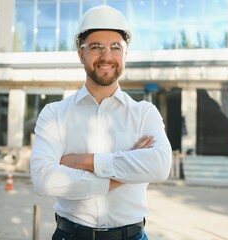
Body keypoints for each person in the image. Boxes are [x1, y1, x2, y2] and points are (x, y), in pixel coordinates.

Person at [30, 5, 172, 240]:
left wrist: (85, 161)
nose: (106, 56)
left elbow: (160, 166)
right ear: (80, 54)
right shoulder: (54, 114)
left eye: (115, 47)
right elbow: (44, 180)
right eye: (96, 47)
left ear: (125, 55)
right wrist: (126, 169)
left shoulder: (145, 113)